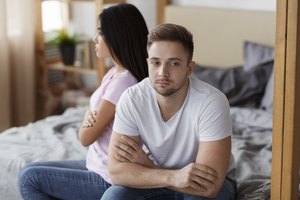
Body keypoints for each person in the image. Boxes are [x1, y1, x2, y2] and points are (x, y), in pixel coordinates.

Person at [18, 3, 149, 200]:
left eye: (100, 33)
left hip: (106, 176)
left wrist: (89, 119)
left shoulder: (123, 84)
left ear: (117, 36)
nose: (95, 39)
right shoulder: (114, 72)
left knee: (30, 178)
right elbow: (93, 117)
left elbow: (85, 138)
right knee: (29, 168)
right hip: (94, 163)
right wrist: (89, 114)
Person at [101, 23, 236, 200]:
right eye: (156, 62)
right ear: (148, 63)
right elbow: (117, 173)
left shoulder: (211, 102)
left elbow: (208, 187)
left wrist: (149, 167)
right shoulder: (132, 98)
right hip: (158, 181)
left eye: (174, 63)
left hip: (208, 188)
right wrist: (172, 177)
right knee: (114, 196)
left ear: (189, 68)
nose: (162, 73)